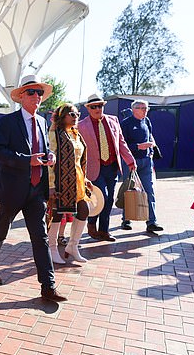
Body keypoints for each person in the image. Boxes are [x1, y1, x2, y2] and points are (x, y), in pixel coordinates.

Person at [0, 74, 66, 302]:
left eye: (39, 92)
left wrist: (51, 156)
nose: (37, 96)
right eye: (31, 92)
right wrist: (26, 159)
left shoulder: (42, 122)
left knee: (40, 237)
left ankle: (48, 286)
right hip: (11, 189)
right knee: (1, 229)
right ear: (21, 97)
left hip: (36, 191)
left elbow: (44, 148)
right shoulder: (7, 122)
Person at [78, 94, 135, 242]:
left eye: (100, 106)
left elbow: (121, 143)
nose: (97, 109)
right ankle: (91, 225)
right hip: (94, 169)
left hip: (112, 167)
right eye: (93, 106)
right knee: (101, 197)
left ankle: (104, 231)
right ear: (88, 109)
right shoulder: (81, 125)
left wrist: (130, 160)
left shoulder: (113, 120)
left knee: (109, 200)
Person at [47, 104, 93, 264]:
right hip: (61, 180)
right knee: (58, 213)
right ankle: (51, 248)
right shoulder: (55, 133)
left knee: (84, 210)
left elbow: (79, 160)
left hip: (78, 181)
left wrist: (85, 179)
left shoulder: (76, 134)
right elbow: (50, 161)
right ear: (62, 116)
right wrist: (51, 184)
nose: (75, 117)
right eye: (71, 114)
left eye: (77, 114)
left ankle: (73, 246)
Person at [119, 100, 164, 233]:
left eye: (146, 108)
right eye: (142, 108)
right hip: (131, 161)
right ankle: (126, 219)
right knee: (129, 190)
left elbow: (150, 135)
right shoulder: (126, 123)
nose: (145, 110)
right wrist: (138, 146)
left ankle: (152, 222)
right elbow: (122, 144)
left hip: (146, 161)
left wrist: (150, 151)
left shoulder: (147, 121)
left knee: (149, 191)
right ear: (134, 109)